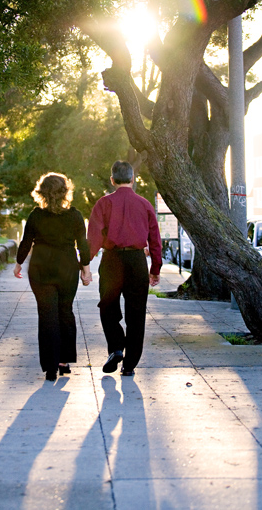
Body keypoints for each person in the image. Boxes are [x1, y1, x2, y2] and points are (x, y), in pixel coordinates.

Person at [14, 173, 92, 381]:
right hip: (67, 268)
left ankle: (50, 366)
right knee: (65, 311)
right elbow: (83, 244)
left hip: (41, 268)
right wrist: (86, 268)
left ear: (42, 193)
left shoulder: (36, 216)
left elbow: (26, 242)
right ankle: (64, 360)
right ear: (65, 192)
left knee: (47, 314)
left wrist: (19, 263)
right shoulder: (75, 216)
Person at [88, 161, 162, 377]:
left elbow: (93, 237)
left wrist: (85, 263)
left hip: (111, 260)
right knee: (136, 313)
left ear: (112, 180)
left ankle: (117, 346)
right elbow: (155, 239)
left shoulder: (103, 204)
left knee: (107, 306)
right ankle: (129, 365)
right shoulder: (145, 204)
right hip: (137, 261)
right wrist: (155, 267)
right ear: (132, 179)